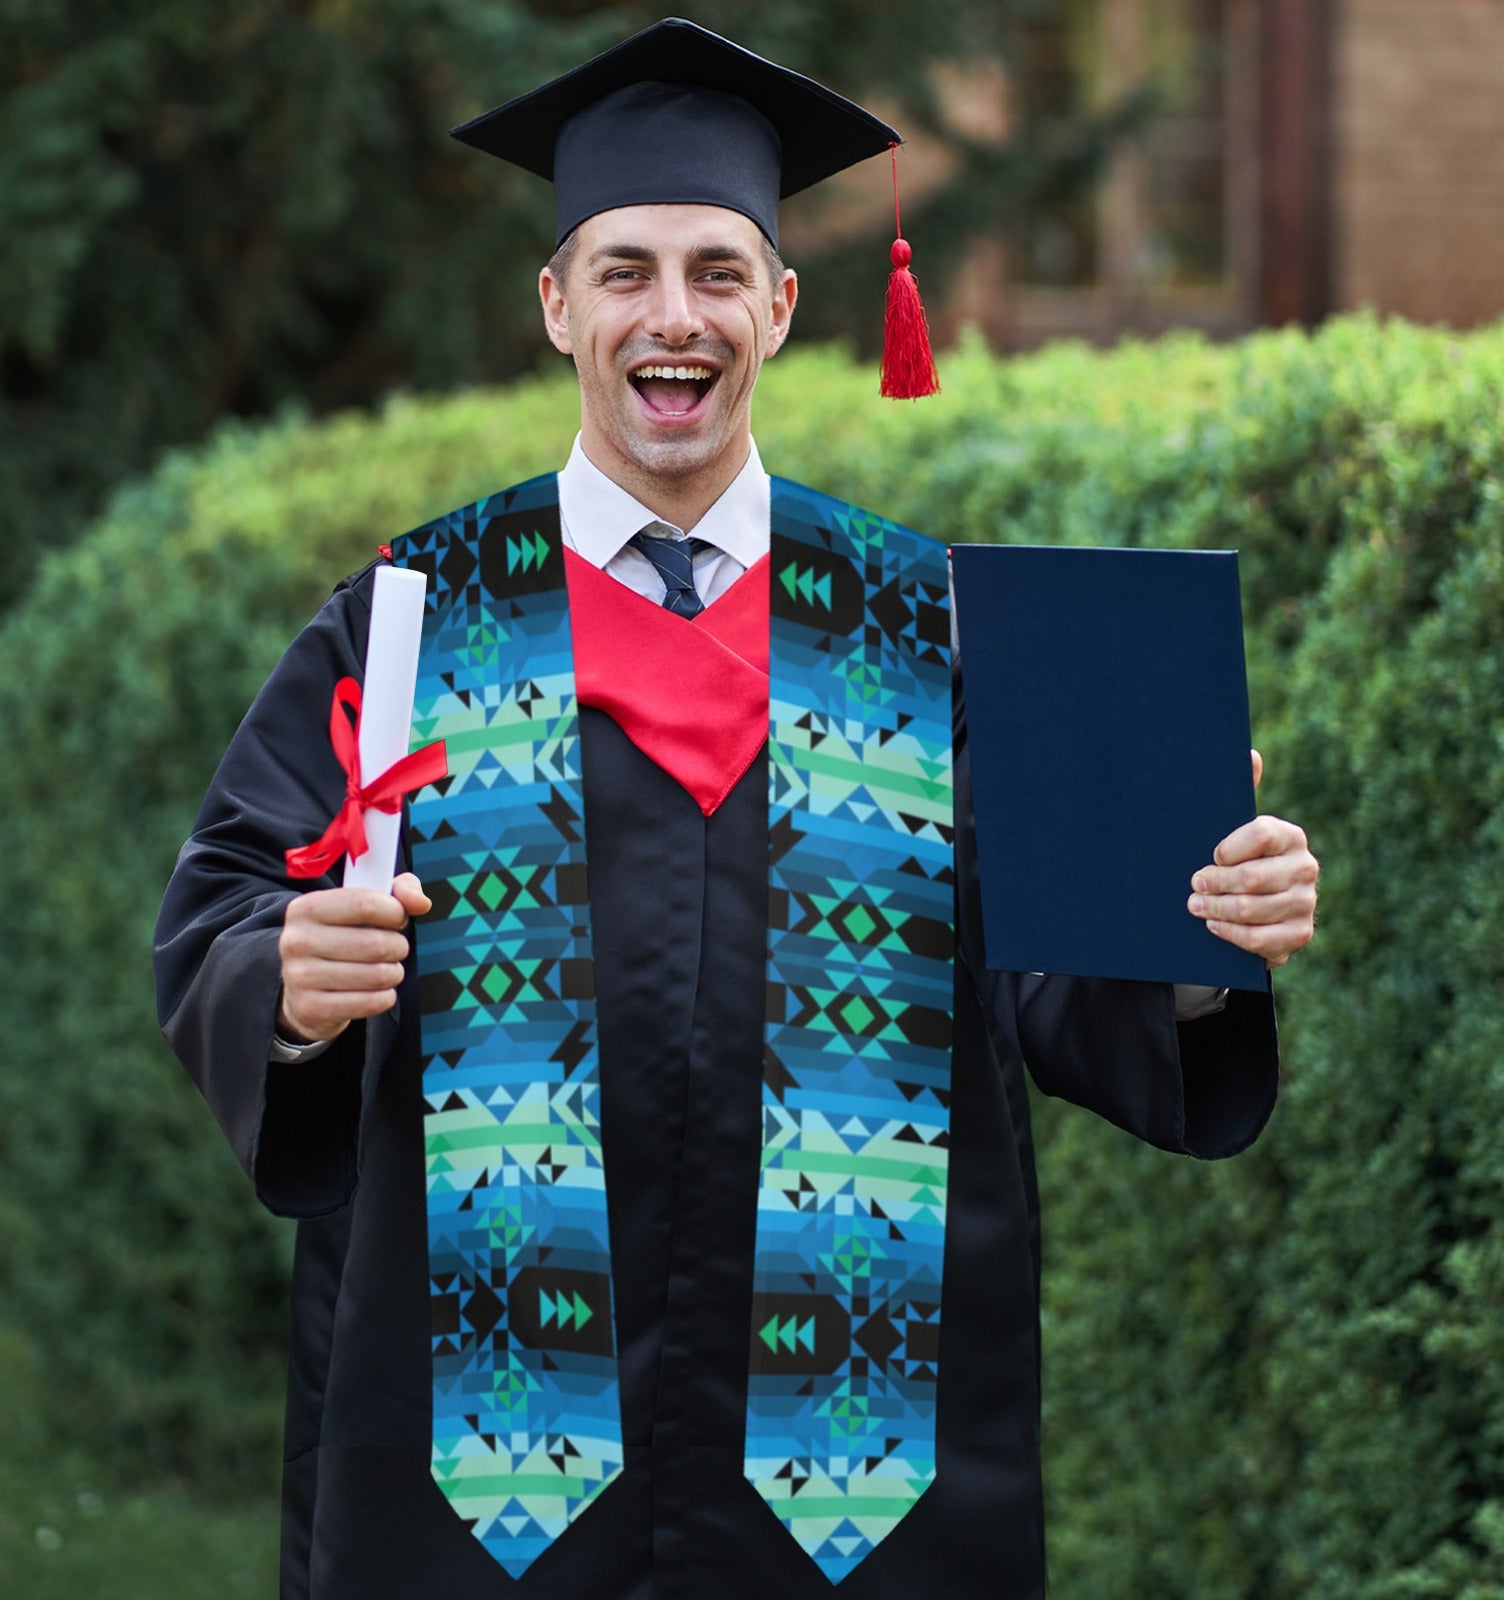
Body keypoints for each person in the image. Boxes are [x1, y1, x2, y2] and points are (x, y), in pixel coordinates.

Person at [153, 19, 1318, 1600]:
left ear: (780, 305)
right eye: (625, 270)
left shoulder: (929, 628)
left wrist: (1196, 935)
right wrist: (284, 984)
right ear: (558, 305)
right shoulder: (421, 620)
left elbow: (1055, 978)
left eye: (716, 270)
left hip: (859, 1470)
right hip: (486, 1468)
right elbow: (228, 901)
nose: (672, 316)